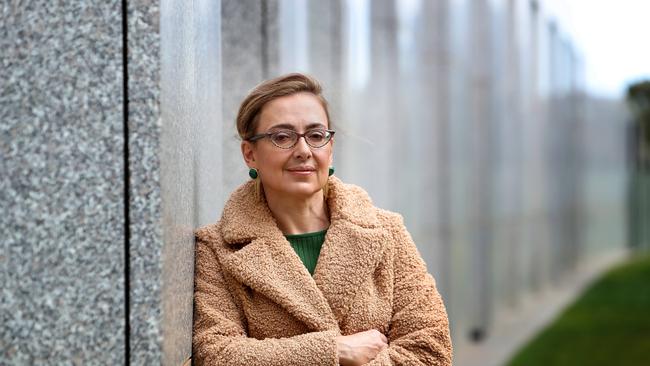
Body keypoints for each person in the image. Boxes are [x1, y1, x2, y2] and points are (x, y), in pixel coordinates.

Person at [193, 73, 452, 365]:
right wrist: (336, 352)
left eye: (316, 136)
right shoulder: (216, 248)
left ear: (330, 147)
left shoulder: (386, 232)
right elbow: (216, 355)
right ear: (250, 154)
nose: (303, 151)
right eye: (282, 137)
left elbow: (430, 349)